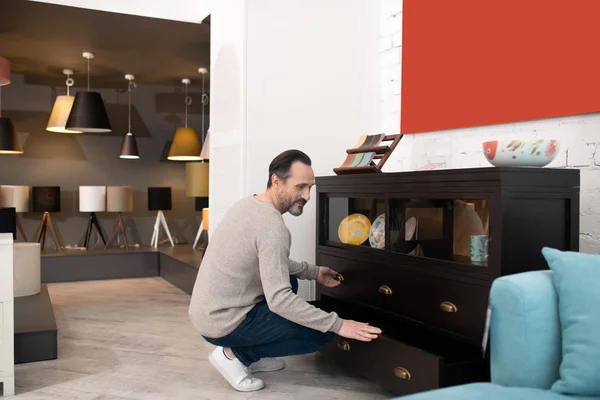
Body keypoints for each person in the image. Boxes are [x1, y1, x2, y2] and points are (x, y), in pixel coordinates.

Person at [188, 149, 382, 392]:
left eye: (310, 187)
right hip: (223, 321)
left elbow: (270, 261)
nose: (307, 196)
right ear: (276, 181)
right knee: (319, 334)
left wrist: (313, 272)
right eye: (300, 187)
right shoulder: (272, 226)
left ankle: (252, 351)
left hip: (208, 312)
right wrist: (339, 324)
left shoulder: (248, 204)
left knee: (291, 279)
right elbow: (280, 300)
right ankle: (235, 354)